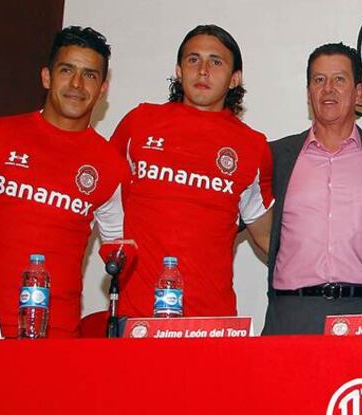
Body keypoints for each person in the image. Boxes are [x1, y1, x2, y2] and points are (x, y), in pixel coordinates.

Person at [0, 27, 128, 338]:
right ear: (47, 77)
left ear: (102, 88)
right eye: (67, 70)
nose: (77, 84)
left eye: (89, 75)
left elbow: (118, 249)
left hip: (58, 336)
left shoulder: (111, 164)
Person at [110, 25, 274, 319]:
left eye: (216, 61)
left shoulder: (253, 147)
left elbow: (267, 238)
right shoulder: (139, 123)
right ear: (178, 70)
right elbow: (99, 201)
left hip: (211, 319)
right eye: (193, 60)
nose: (202, 71)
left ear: (235, 78)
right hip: (137, 315)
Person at [255, 43, 362, 335]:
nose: (328, 89)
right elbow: (257, 224)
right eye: (319, 80)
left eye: (339, 79)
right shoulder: (276, 156)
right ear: (308, 93)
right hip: (291, 315)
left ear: (358, 93)